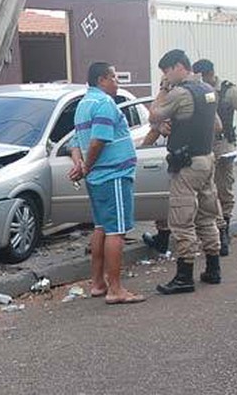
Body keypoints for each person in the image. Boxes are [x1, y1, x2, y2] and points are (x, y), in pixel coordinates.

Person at [68, 61, 145, 305]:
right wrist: (86, 166)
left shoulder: (84, 104)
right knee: (116, 232)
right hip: (112, 175)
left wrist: (81, 166)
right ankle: (115, 289)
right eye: (114, 77)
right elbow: (97, 141)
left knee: (101, 228)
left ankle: (98, 283)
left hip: (97, 178)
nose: (117, 82)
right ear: (102, 79)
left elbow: (74, 143)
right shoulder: (103, 103)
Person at [147, 49, 222, 295]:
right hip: (207, 160)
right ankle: (213, 268)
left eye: (167, 72)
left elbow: (154, 114)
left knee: (182, 220)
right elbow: (217, 125)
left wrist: (163, 89)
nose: (166, 77)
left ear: (178, 66)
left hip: (187, 165)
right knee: (207, 216)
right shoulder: (208, 91)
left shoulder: (180, 92)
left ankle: (184, 277)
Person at [192, 59, 237, 256]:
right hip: (203, 143)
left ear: (208, 74)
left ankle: (224, 231)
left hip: (223, 144)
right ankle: (211, 231)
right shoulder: (196, 90)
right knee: (205, 190)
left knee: (223, 187)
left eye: (201, 76)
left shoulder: (228, 90)